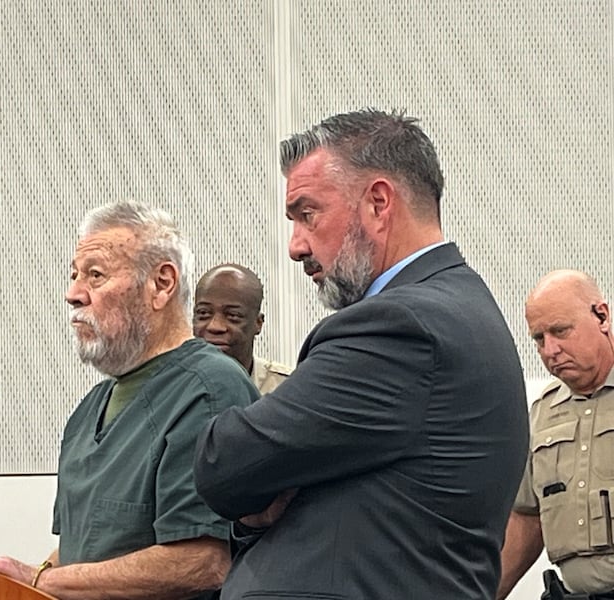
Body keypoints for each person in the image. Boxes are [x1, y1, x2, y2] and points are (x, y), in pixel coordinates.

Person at [193, 109, 529, 599]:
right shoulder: (446, 310)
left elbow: (223, 463)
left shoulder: (401, 328)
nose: (295, 246)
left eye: (307, 214)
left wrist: (261, 487)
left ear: (377, 203)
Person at [0, 201, 259, 599]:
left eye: (95, 275)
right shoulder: (91, 409)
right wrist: (12, 580)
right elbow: (85, 551)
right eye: (74, 276)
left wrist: (37, 580)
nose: (73, 294)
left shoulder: (209, 390)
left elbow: (202, 561)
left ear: (162, 284)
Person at [497, 270, 614, 600]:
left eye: (561, 331)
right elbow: (526, 519)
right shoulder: (544, 412)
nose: (550, 350)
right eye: (539, 338)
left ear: (601, 316)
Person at [193, 263, 292, 394]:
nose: (215, 326)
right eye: (204, 313)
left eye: (233, 315)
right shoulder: (169, 386)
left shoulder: (287, 388)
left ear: (258, 323)